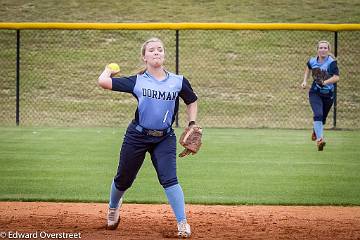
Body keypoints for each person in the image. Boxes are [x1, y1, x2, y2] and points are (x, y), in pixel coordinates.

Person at [98, 37, 198, 238]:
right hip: (137, 135)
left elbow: (192, 100)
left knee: (170, 179)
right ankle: (112, 209)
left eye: (159, 49)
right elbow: (103, 82)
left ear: (164, 54)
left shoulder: (178, 81)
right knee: (124, 178)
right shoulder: (137, 81)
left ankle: (182, 222)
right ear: (144, 57)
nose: (156, 52)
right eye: (151, 50)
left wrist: (192, 124)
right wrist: (109, 70)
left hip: (164, 138)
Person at [301, 40, 339, 151]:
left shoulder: (331, 63)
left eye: (325, 48)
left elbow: (336, 77)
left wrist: (325, 82)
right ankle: (320, 140)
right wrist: (304, 81)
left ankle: (315, 131)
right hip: (315, 93)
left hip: (328, 95)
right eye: (321, 48)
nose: (323, 50)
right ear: (317, 50)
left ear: (328, 50)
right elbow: (308, 68)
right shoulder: (313, 61)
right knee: (318, 114)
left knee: (322, 119)